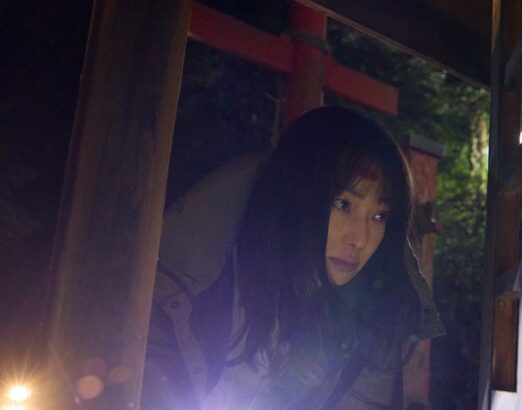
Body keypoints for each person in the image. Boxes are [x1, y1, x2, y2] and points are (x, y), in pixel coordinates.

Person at [141, 106, 444, 409]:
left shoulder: (374, 316)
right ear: (299, 195)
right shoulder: (209, 275)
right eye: (343, 204)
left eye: (379, 216)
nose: (361, 239)